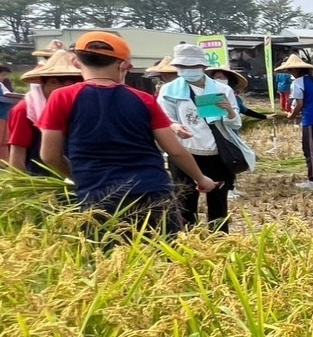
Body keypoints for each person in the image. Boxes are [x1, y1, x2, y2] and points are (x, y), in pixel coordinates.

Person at [38, 32, 218, 234]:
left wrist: (78, 176)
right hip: (151, 191)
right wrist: (201, 179)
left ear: (75, 61)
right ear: (123, 65)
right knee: (164, 257)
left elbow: (49, 155)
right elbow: (175, 150)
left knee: (110, 260)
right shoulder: (144, 99)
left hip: (99, 197)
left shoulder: (62, 97)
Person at [158, 44, 255, 232]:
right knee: (185, 201)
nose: (188, 71)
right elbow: (165, 118)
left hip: (216, 152)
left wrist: (228, 110)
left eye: (193, 66)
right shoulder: (169, 91)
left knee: (218, 203)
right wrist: (175, 126)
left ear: (202, 66)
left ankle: (219, 241)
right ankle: (189, 240)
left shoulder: (221, 89)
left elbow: (235, 124)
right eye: (183, 67)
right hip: (184, 153)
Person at [7, 50, 82, 173]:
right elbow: (18, 153)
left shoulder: (82, 107)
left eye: (70, 84)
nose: (60, 89)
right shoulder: (24, 110)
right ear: (42, 84)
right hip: (41, 179)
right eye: (54, 82)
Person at [280, 53, 313, 190]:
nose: (290, 72)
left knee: (310, 150)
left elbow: (299, 104)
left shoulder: (298, 82)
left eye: (291, 70)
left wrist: (291, 116)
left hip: (311, 119)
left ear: (297, 69)